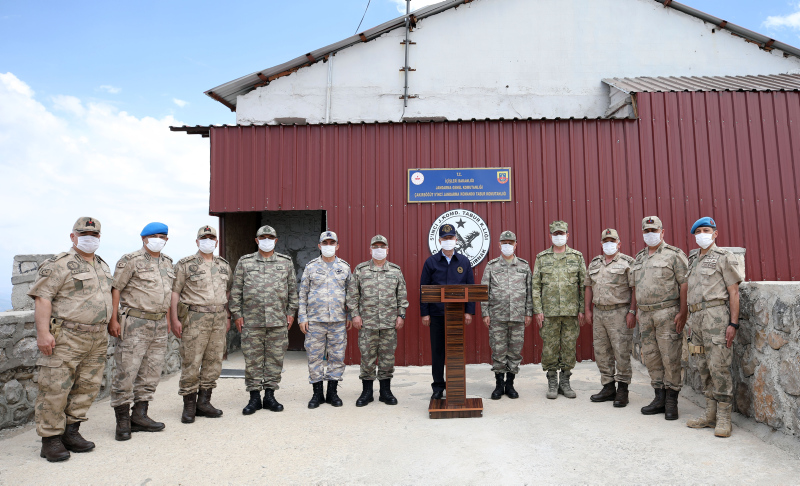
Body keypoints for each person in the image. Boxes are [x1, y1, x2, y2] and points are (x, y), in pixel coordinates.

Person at [28, 217, 113, 462]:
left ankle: (71, 431)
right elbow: (42, 298)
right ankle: (50, 440)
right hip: (66, 336)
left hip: (96, 337)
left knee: (87, 386)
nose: (90, 238)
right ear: (72, 236)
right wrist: (43, 333)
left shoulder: (102, 266)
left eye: (94, 235)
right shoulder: (58, 264)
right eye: (84, 233)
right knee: (55, 387)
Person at [109, 222, 174, 441]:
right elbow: (116, 289)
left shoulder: (167, 263)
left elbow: (166, 294)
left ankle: (140, 415)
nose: (159, 239)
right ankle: (122, 421)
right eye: (154, 236)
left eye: (163, 236)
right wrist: (113, 319)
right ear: (144, 238)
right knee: (127, 371)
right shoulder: (131, 260)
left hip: (158, 324)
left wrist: (167, 321)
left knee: (151, 372)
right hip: (135, 322)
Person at [230, 225, 298, 415]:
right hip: (251, 321)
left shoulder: (285, 262)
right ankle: (253, 398)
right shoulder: (245, 262)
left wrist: (291, 312)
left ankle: (270, 396)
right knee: (253, 360)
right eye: (263, 237)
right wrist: (237, 314)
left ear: (275, 241)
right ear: (257, 240)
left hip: (278, 321)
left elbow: (293, 290)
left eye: (270, 237)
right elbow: (236, 291)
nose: (266, 240)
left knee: (275, 359)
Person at [684, 217, 743, 437]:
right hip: (696, 319)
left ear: (715, 233)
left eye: (706, 230)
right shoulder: (693, 259)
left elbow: (734, 292)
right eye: (698, 231)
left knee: (719, 366)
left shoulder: (723, 257)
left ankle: (724, 418)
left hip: (716, 317)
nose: (702, 234)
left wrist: (733, 323)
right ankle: (709, 414)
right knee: (702, 366)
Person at [170, 225, 232, 424]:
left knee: (214, 361)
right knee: (191, 361)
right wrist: (174, 319)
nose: (208, 241)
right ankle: (189, 406)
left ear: (216, 241)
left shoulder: (223, 265)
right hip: (194, 318)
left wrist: (227, 315)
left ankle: (204, 403)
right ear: (197, 242)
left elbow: (227, 291)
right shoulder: (185, 265)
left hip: (218, 319)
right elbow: (175, 292)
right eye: (204, 238)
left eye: (211, 238)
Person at [631, 216, 688, 420]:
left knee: (670, 357)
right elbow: (636, 286)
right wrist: (635, 310)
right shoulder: (639, 258)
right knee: (652, 356)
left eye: (654, 230)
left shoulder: (674, 255)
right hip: (645, 314)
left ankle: (672, 400)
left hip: (667, 312)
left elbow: (684, 284)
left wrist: (683, 312)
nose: (650, 234)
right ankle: (659, 397)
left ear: (662, 232)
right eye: (646, 231)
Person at [346, 235, 409, 407]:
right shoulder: (361, 270)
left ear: (387, 250)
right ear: (370, 250)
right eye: (376, 246)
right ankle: (367, 392)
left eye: (382, 246)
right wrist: (355, 315)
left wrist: (400, 315)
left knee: (387, 358)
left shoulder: (395, 271)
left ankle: (385, 391)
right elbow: (352, 295)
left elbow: (402, 296)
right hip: (367, 323)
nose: (379, 249)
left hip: (389, 324)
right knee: (367, 357)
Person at [532, 220, 586, 400]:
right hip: (549, 312)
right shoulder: (542, 258)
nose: (559, 237)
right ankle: (552, 381)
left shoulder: (577, 257)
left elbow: (584, 285)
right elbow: (535, 286)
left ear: (567, 235)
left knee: (569, 347)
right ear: (550, 236)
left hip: (571, 312)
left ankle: (565, 381)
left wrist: (582, 309)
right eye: (555, 234)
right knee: (549, 348)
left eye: (561, 233)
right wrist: (538, 310)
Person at [420, 223, 475, 400]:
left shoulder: (464, 262)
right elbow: (424, 288)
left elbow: (470, 288)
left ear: (456, 240)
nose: (448, 241)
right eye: (445, 238)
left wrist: (469, 311)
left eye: (451, 238)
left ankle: (454, 386)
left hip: (456, 315)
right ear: (439, 241)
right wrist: (425, 313)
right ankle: (437, 387)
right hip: (436, 314)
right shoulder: (431, 262)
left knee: (455, 351)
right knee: (437, 352)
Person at [298, 231, 352, 409]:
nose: (328, 245)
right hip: (315, 320)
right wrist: (302, 317)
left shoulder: (344, 267)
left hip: (337, 321)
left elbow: (351, 295)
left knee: (337, 357)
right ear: (319, 246)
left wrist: (350, 315)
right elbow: (303, 294)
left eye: (332, 242)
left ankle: (332, 393)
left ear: (337, 246)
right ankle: (317, 394)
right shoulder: (311, 267)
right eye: (325, 243)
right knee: (314, 357)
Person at [583, 228, 636, 408]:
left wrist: (632, 311)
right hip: (599, 312)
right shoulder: (595, 263)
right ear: (601, 244)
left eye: (612, 241)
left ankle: (622, 389)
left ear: (619, 244)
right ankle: (607, 387)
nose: (609, 244)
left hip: (619, 312)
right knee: (601, 351)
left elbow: (634, 288)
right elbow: (588, 286)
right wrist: (587, 310)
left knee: (621, 351)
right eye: (605, 241)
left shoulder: (628, 263)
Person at [480, 230, 533, 400]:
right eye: (504, 243)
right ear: (499, 245)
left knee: (515, 351)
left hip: (518, 316)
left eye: (511, 243)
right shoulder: (491, 266)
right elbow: (484, 291)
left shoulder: (524, 266)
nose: (507, 246)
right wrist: (485, 313)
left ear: (516, 245)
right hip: (497, 316)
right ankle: (498, 384)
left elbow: (530, 291)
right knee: (498, 350)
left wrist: (528, 312)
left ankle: (510, 384)